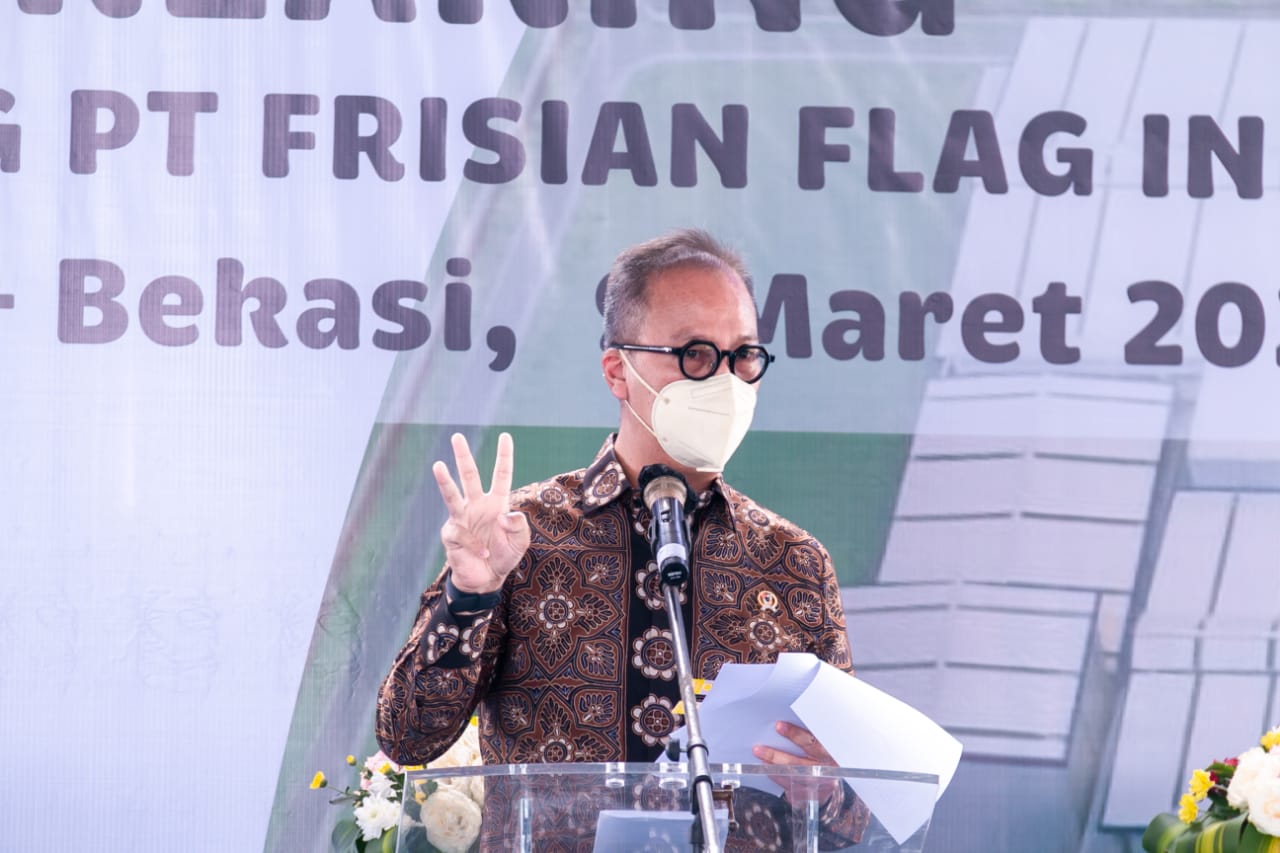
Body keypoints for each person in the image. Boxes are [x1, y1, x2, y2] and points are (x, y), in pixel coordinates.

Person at [376, 229, 867, 848]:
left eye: (743, 355)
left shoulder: (794, 563)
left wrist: (826, 790)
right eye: (695, 354)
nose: (725, 380)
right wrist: (469, 596)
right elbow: (406, 736)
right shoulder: (521, 535)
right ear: (618, 370)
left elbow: (856, 813)